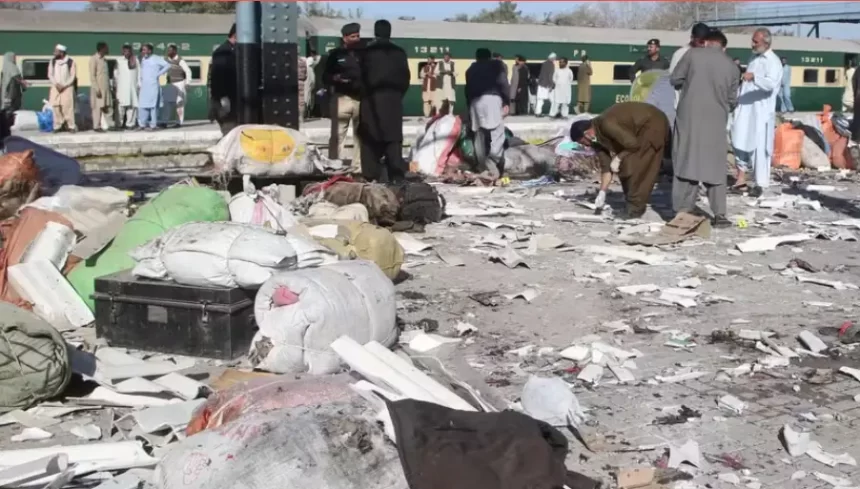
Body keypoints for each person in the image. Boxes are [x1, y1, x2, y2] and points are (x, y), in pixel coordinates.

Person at [670, 28, 738, 228]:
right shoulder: (732, 66)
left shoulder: (692, 55)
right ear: (723, 47)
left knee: (686, 162)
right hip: (716, 121)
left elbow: (675, 79)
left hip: (688, 119)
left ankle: (683, 211)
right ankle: (720, 214)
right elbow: (733, 101)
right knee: (715, 168)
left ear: (707, 42)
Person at [569, 102, 670, 219]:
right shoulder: (596, 140)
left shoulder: (607, 124)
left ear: (587, 133)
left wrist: (618, 157)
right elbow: (606, 168)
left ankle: (634, 210)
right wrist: (602, 192)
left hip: (651, 124)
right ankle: (631, 203)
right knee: (625, 167)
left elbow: (633, 145)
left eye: (582, 142)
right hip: (637, 133)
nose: (585, 146)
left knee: (637, 166)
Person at [357, 19, 411, 183]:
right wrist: (397, 95)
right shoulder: (400, 52)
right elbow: (405, 78)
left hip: (371, 101)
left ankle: (371, 176)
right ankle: (396, 176)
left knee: (369, 139)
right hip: (393, 102)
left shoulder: (366, 52)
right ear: (390, 32)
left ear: (375, 32)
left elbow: (360, 77)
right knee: (393, 140)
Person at [731, 28, 782, 197]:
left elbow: (770, 85)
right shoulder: (754, 58)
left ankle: (760, 183)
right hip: (745, 108)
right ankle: (741, 179)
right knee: (739, 141)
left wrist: (754, 77)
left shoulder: (773, 61)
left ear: (766, 43)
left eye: (756, 41)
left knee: (758, 148)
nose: (752, 44)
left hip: (760, 112)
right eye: (752, 40)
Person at [465, 47, 510, 182]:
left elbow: (467, 89)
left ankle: (482, 165)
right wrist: (506, 101)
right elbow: (503, 83)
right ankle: (493, 159)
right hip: (492, 99)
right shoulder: (497, 66)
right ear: (490, 56)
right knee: (497, 132)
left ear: (476, 57)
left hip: (475, 101)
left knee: (479, 134)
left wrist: (469, 106)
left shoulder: (470, 69)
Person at [323, 22, 363, 170]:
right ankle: (334, 165)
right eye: (353, 36)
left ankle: (358, 167)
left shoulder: (363, 54)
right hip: (341, 99)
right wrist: (336, 78)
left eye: (358, 36)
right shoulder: (335, 55)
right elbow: (325, 77)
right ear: (345, 38)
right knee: (337, 135)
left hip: (359, 99)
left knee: (360, 136)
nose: (356, 39)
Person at [669, 23, 710, 109]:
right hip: (684, 106)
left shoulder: (709, 54)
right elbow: (672, 79)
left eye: (707, 41)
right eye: (701, 41)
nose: (704, 44)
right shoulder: (680, 54)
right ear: (692, 38)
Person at [208, 23, 237, 135]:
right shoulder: (223, 52)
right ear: (236, 35)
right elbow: (218, 77)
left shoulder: (229, 50)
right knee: (229, 133)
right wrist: (223, 98)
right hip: (225, 101)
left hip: (228, 100)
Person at [138, 43, 170, 131]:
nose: (143, 51)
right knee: (142, 105)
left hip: (153, 86)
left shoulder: (156, 58)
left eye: (145, 49)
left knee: (153, 106)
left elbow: (168, 65)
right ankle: (142, 124)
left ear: (150, 50)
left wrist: (158, 74)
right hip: (144, 86)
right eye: (142, 50)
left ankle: (153, 125)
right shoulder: (143, 59)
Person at [48, 44, 77, 133]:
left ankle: (70, 126)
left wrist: (64, 85)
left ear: (61, 52)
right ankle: (58, 126)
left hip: (67, 88)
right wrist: (56, 84)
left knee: (67, 107)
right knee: (56, 107)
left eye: (56, 51)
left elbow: (73, 76)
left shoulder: (70, 62)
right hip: (55, 88)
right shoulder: (52, 61)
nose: (54, 53)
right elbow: (50, 74)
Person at [162, 43, 192, 127]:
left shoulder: (180, 60)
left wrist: (188, 83)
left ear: (175, 51)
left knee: (179, 103)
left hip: (179, 83)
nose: (168, 52)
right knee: (167, 103)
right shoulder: (166, 59)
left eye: (170, 50)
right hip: (169, 84)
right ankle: (164, 122)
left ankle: (178, 122)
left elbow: (188, 71)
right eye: (168, 50)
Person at [114, 43, 139, 129]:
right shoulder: (119, 60)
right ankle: (119, 124)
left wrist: (139, 85)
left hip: (132, 88)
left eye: (128, 51)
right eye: (125, 51)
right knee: (120, 107)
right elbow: (116, 74)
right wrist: (115, 85)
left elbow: (139, 73)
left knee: (131, 107)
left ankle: (130, 124)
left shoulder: (135, 60)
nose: (127, 53)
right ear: (122, 52)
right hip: (122, 88)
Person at [1, 52, 27, 132]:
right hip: (12, 92)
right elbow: (17, 78)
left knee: (6, 108)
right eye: (14, 57)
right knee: (12, 108)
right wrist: (24, 85)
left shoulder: (4, 67)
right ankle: (10, 124)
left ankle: (4, 124)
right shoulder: (12, 67)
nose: (14, 59)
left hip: (5, 92)